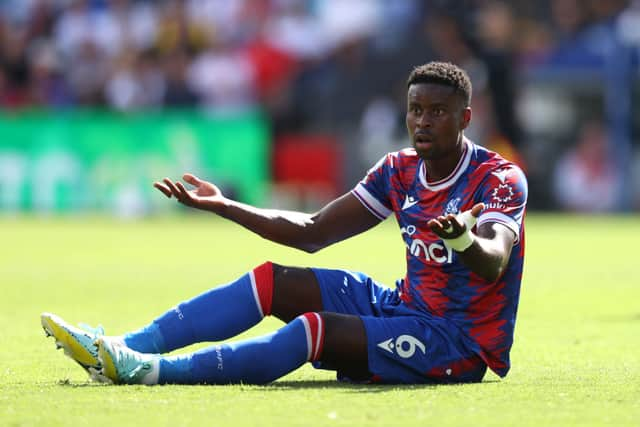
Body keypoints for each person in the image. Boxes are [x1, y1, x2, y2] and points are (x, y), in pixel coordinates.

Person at [42, 62, 527, 385]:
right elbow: (314, 232)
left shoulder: (499, 179)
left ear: (464, 118)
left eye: (437, 113)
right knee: (272, 281)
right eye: (416, 110)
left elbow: (492, 263)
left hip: (454, 341)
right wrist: (227, 207)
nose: (423, 122)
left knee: (313, 328)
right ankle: (120, 346)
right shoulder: (399, 170)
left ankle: (149, 370)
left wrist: (462, 237)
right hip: (405, 305)